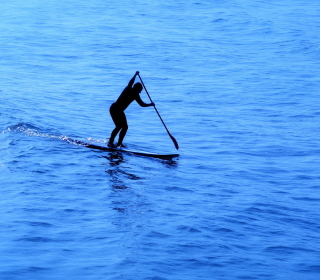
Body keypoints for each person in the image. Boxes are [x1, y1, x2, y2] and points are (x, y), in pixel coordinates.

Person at [108, 71, 154, 148]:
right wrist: (135, 75)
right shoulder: (128, 89)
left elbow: (142, 104)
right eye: (140, 90)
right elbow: (131, 82)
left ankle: (119, 143)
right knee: (119, 126)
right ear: (137, 88)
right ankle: (110, 142)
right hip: (114, 109)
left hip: (120, 110)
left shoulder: (136, 95)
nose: (140, 91)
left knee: (125, 127)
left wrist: (150, 104)